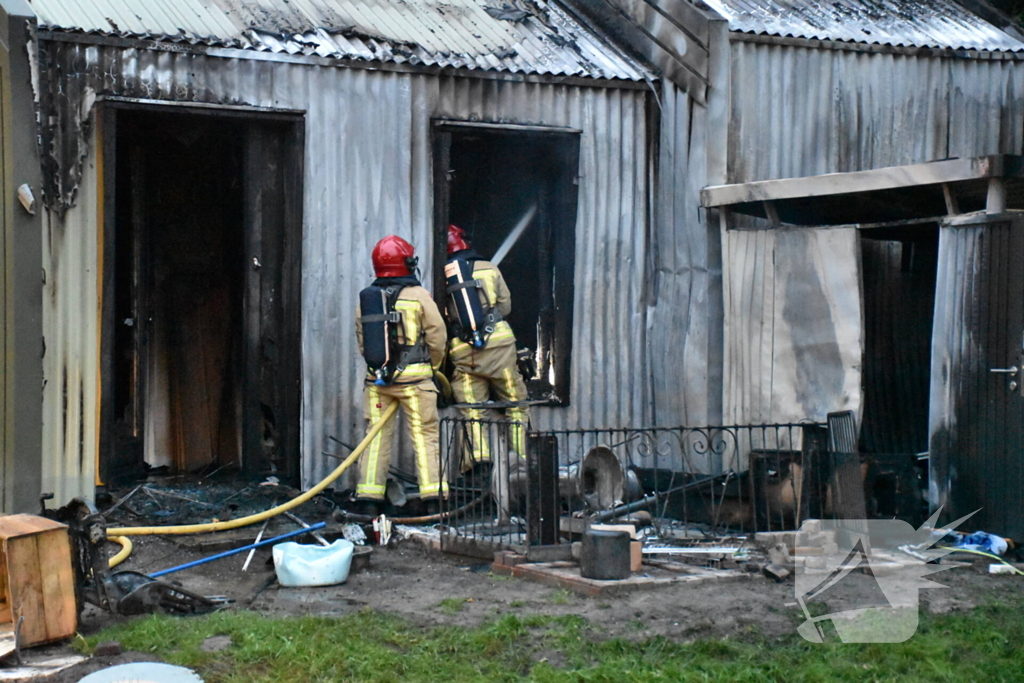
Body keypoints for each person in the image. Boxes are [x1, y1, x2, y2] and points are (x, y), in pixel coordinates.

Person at [355, 235, 447, 517]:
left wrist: (380, 367)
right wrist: (433, 365)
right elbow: (437, 336)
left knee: (376, 438)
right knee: (424, 437)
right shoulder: (419, 296)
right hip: (415, 383)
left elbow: (362, 339)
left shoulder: (367, 299)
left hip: (378, 383)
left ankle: (369, 499)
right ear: (408, 263)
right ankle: (433, 499)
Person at [444, 224, 530, 467]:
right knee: (516, 405)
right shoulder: (490, 268)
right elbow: (505, 306)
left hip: (465, 352)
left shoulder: (444, 273)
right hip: (501, 348)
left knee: (472, 411)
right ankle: (519, 462)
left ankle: (480, 464)